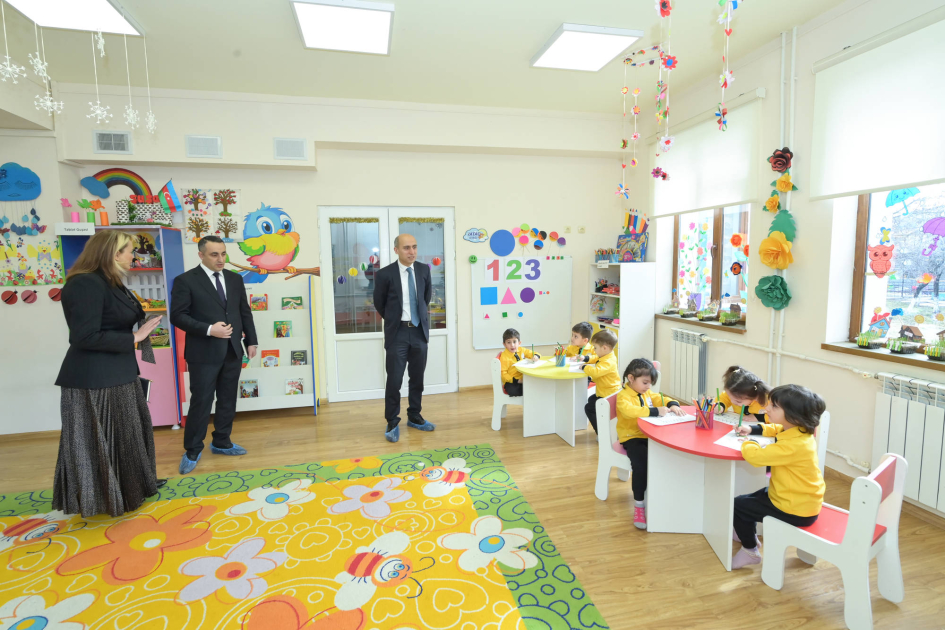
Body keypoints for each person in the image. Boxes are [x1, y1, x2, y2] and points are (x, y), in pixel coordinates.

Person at [53, 230, 164, 517]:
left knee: (128, 435)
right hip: (95, 379)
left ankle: (133, 488)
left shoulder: (110, 281)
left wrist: (142, 327)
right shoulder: (85, 283)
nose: (134, 257)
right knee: (106, 440)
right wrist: (134, 337)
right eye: (129, 251)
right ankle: (107, 497)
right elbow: (84, 336)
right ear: (113, 254)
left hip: (118, 371)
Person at [170, 235, 258, 475]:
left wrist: (251, 341)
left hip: (233, 350)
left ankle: (221, 441)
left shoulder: (234, 279)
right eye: (214, 254)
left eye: (223, 253)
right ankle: (192, 449)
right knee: (201, 401)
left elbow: (244, 312)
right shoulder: (186, 280)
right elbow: (177, 316)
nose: (221, 259)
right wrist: (209, 329)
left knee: (228, 399)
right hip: (203, 352)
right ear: (201, 255)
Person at [731, 384, 826, 569]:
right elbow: (775, 429)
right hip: (798, 498)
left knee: (738, 506)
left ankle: (750, 550)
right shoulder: (799, 432)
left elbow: (756, 458)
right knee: (745, 501)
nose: (767, 408)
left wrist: (748, 442)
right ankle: (748, 534)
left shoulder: (793, 446)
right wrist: (753, 429)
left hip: (794, 509)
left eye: (774, 406)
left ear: (794, 415)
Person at [373, 234, 435, 442]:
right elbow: (379, 303)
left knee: (417, 378)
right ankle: (392, 420)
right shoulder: (384, 274)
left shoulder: (424, 270)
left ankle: (414, 416)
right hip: (397, 333)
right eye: (407, 247)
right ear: (396, 250)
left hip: (419, 331)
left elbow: (425, 298)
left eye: (414, 247)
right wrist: (394, 320)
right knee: (394, 379)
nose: (412, 252)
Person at [616, 358, 685, 529]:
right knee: (641, 465)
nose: (648, 387)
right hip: (632, 437)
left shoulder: (645, 392)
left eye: (650, 383)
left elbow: (657, 397)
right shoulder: (623, 396)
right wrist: (655, 411)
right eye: (645, 382)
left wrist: (672, 404)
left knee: (665, 455)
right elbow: (630, 411)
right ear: (631, 378)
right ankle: (639, 504)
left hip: (648, 434)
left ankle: (660, 495)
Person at [582, 329, 621, 433]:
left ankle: (602, 434)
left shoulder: (608, 362)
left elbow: (596, 372)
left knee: (589, 408)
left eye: (595, 348)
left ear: (604, 348)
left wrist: (584, 367)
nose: (594, 350)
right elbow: (596, 358)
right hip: (605, 392)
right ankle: (603, 424)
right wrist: (586, 358)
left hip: (609, 395)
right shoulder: (607, 355)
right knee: (591, 399)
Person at [498, 328, 539, 397]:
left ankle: (530, 392)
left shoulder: (521, 350)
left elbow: (534, 353)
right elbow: (503, 374)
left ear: (519, 343)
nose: (512, 345)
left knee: (534, 384)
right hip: (512, 381)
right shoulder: (504, 357)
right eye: (509, 342)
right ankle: (529, 392)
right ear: (504, 344)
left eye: (514, 342)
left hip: (523, 378)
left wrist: (536, 356)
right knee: (514, 389)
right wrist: (516, 380)